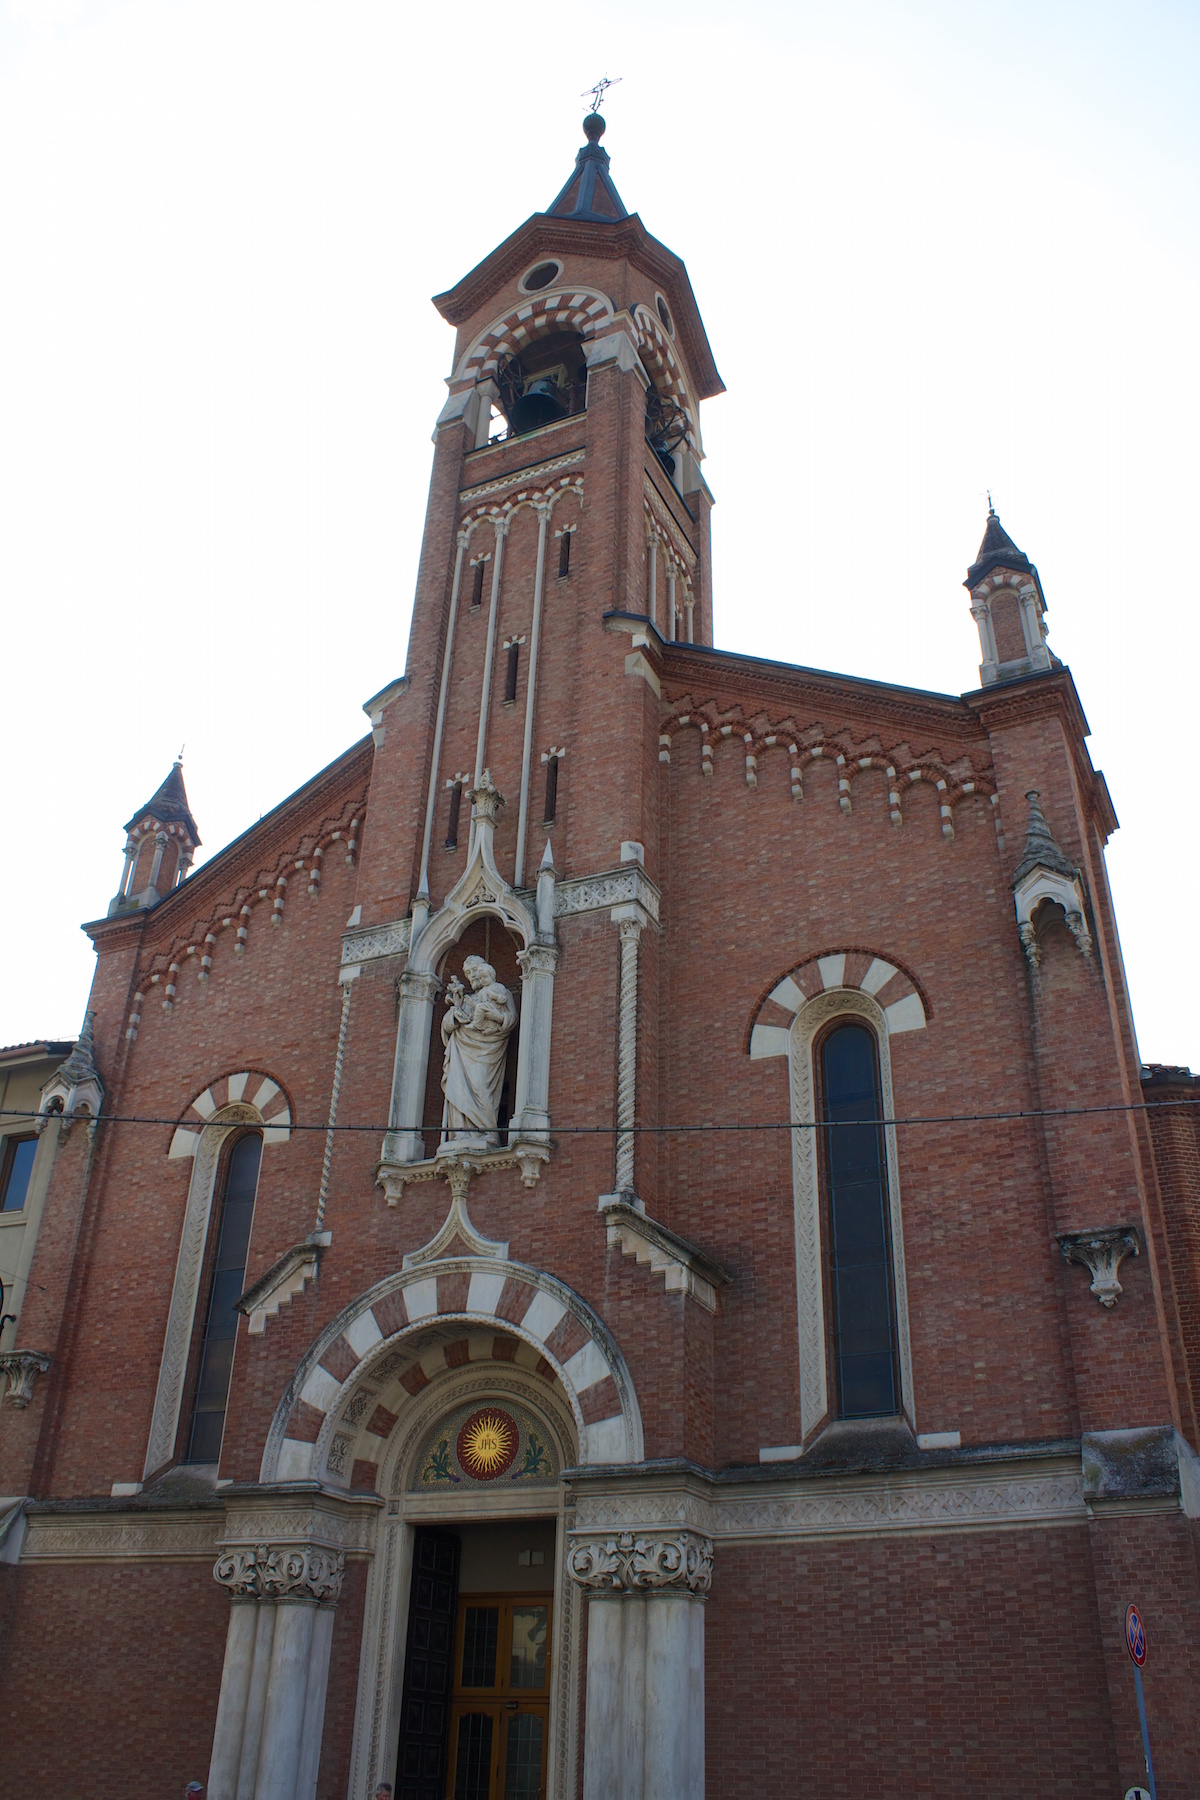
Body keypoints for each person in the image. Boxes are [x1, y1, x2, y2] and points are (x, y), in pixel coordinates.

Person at [440, 954, 517, 1143]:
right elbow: (447, 1027)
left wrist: (495, 1016)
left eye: (474, 972)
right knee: (457, 1088)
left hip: (488, 1049)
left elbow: (511, 1018)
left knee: (482, 1087)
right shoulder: (469, 999)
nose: (471, 977)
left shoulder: (500, 992)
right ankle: (460, 1133)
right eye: (468, 973)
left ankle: (487, 1132)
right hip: (461, 1050)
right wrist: (454, 1016)